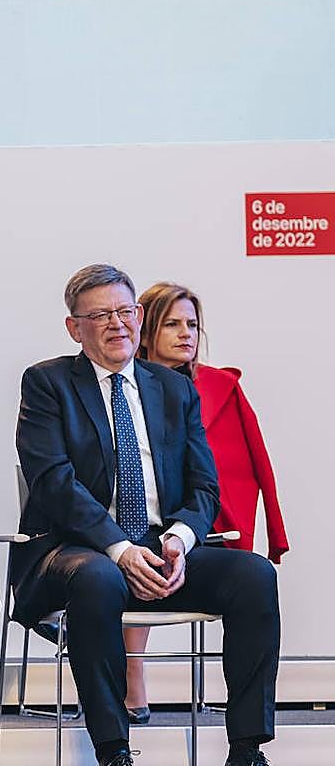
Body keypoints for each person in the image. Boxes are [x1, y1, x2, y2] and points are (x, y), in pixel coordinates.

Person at [14, 264, 280, 766]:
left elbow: (204, 485)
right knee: (98, 578)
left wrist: (179, 539)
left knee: (252, 575)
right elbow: (53, 483)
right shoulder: (48, 383)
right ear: (75, 328)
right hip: (78, 550)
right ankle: (113, 748)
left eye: (124, 311)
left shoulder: (173, 388)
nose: (117, 324)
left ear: (138, 316)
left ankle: (247, 748)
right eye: (99, 315)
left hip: (161, 548)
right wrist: (118, 547)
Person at [122, 282, 289, 724]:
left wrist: (269, 529)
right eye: (172, 323)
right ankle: (132, 675)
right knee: (139, 548)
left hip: (203, 522)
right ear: (146, 328)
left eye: (192, 324)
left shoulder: (218, 386)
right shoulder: (119, 391)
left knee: (251, 577)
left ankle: (249, 737)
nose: (185, 334)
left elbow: (248, 460)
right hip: (131, 528)